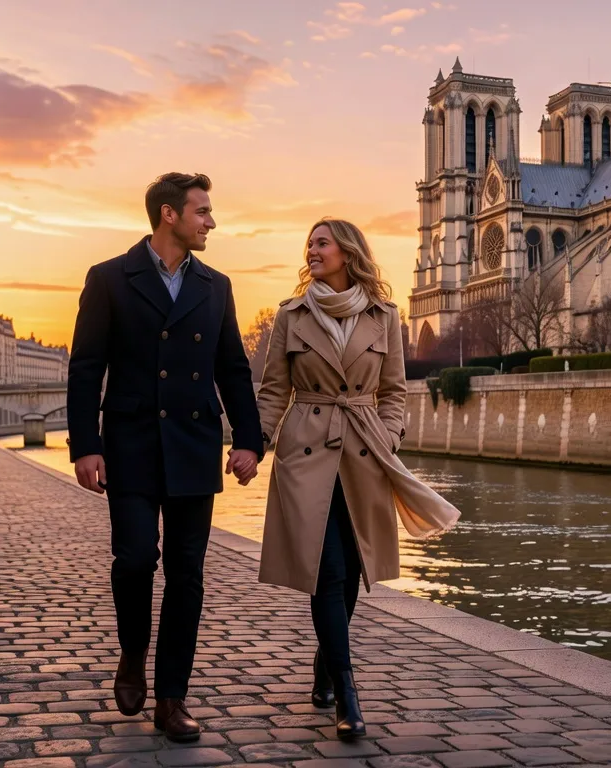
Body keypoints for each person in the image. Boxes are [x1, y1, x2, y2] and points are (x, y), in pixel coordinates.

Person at [67, 172, 264, 743]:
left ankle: (172, 696)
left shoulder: (216, 286)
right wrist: (86, 445)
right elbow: (86, 368)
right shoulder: (109, 278)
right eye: (203, 211)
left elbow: (231, 366)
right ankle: (132, 653)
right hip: (129, 443)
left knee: (187, 576)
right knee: (133, 560)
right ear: (169, 216)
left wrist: (249, 438)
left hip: (194, 443)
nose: (212, 222)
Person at [255, 218, 460, 741]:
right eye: (309, 243)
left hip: (366, 451)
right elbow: (275, 389)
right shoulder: (290, 315)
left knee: (351, 572)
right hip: (305, 453)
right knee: (326, 570)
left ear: (347, 252)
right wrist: (251, 443)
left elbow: (395, 389)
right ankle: (348, 692)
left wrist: (389, 436)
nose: (311, 249)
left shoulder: (385, 315)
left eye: (321, 242)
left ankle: (326, 662)